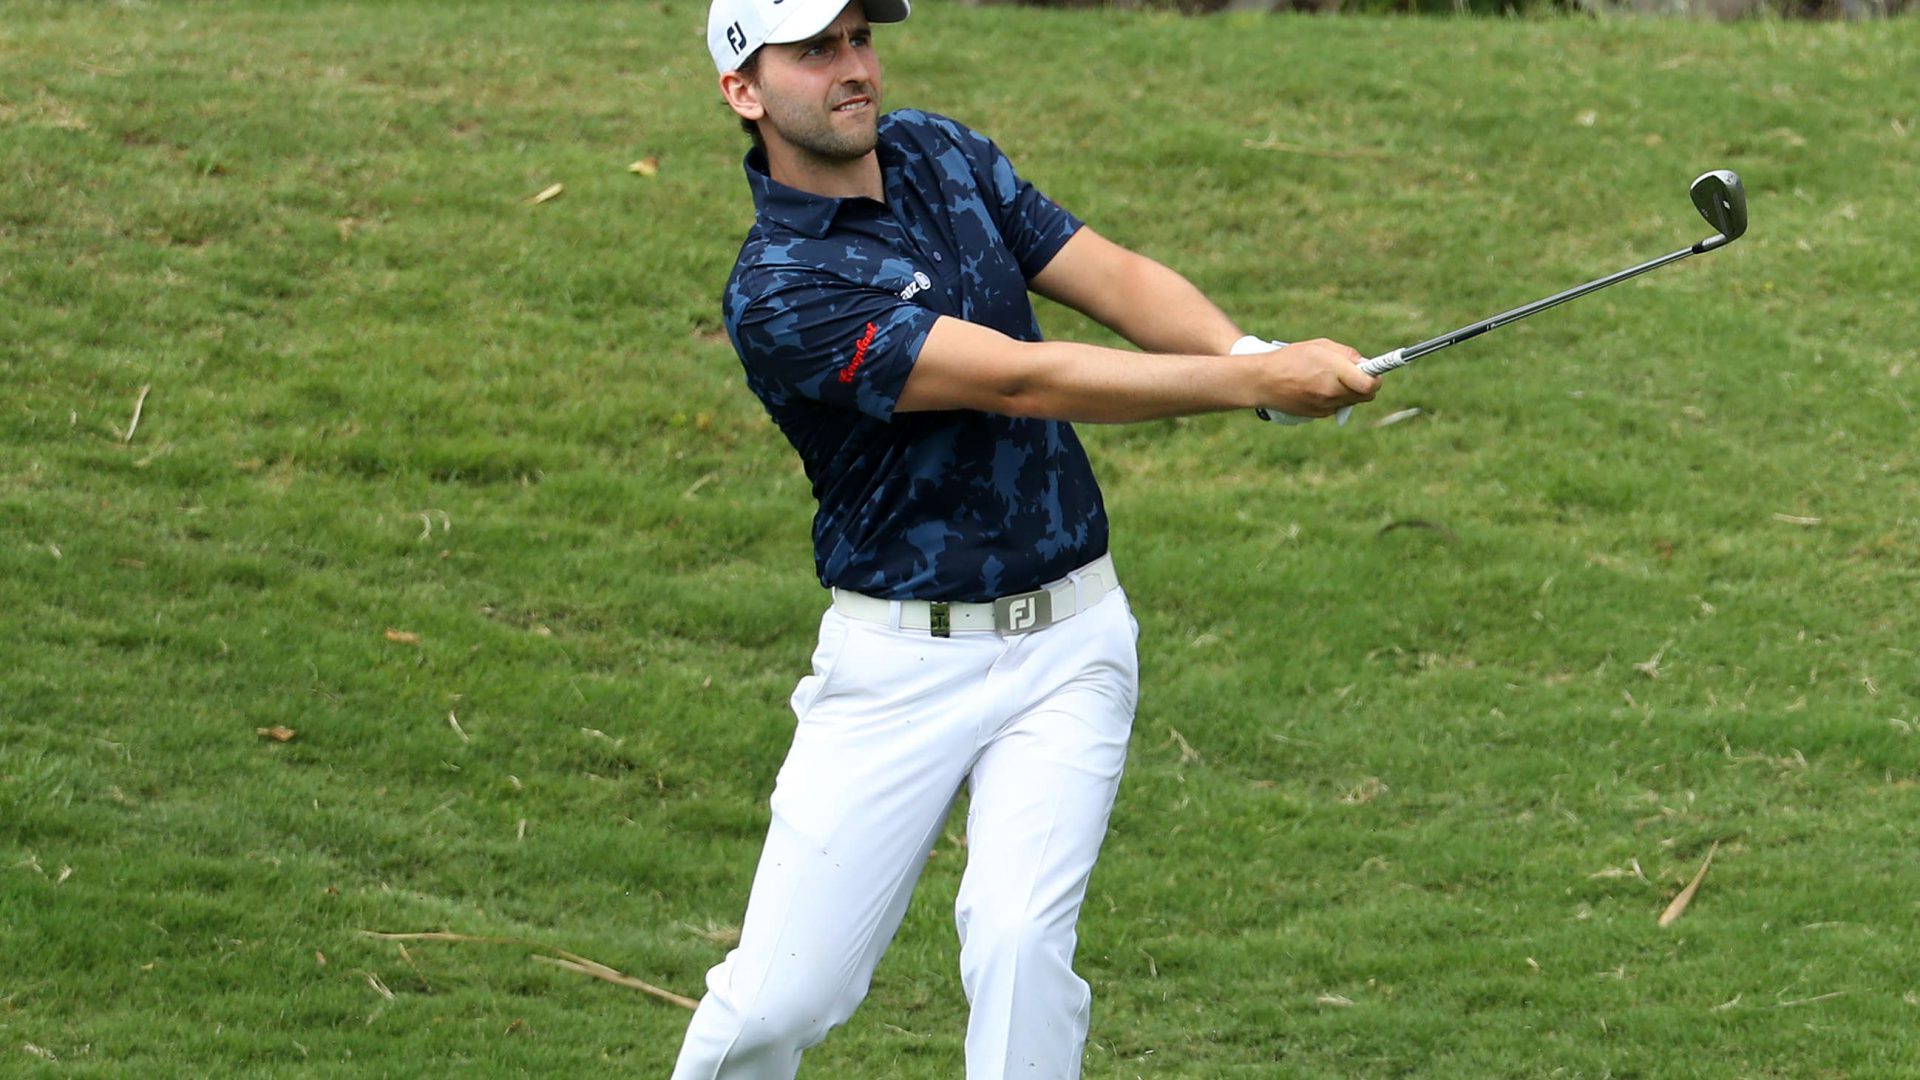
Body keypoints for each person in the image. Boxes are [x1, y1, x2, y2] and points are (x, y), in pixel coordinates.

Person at [673, 1, 1379, 1076]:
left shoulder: (936, 151)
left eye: (860, 38)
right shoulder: (780, 288)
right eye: (816, 50)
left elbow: (1112, 275)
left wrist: (1255, 357)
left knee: (1019, 950)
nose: (853, 66)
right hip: (898, 666)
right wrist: (1249, 385)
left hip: (1069, 641)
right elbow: (1021, 376)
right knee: (778, 1003)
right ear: (743, 88)